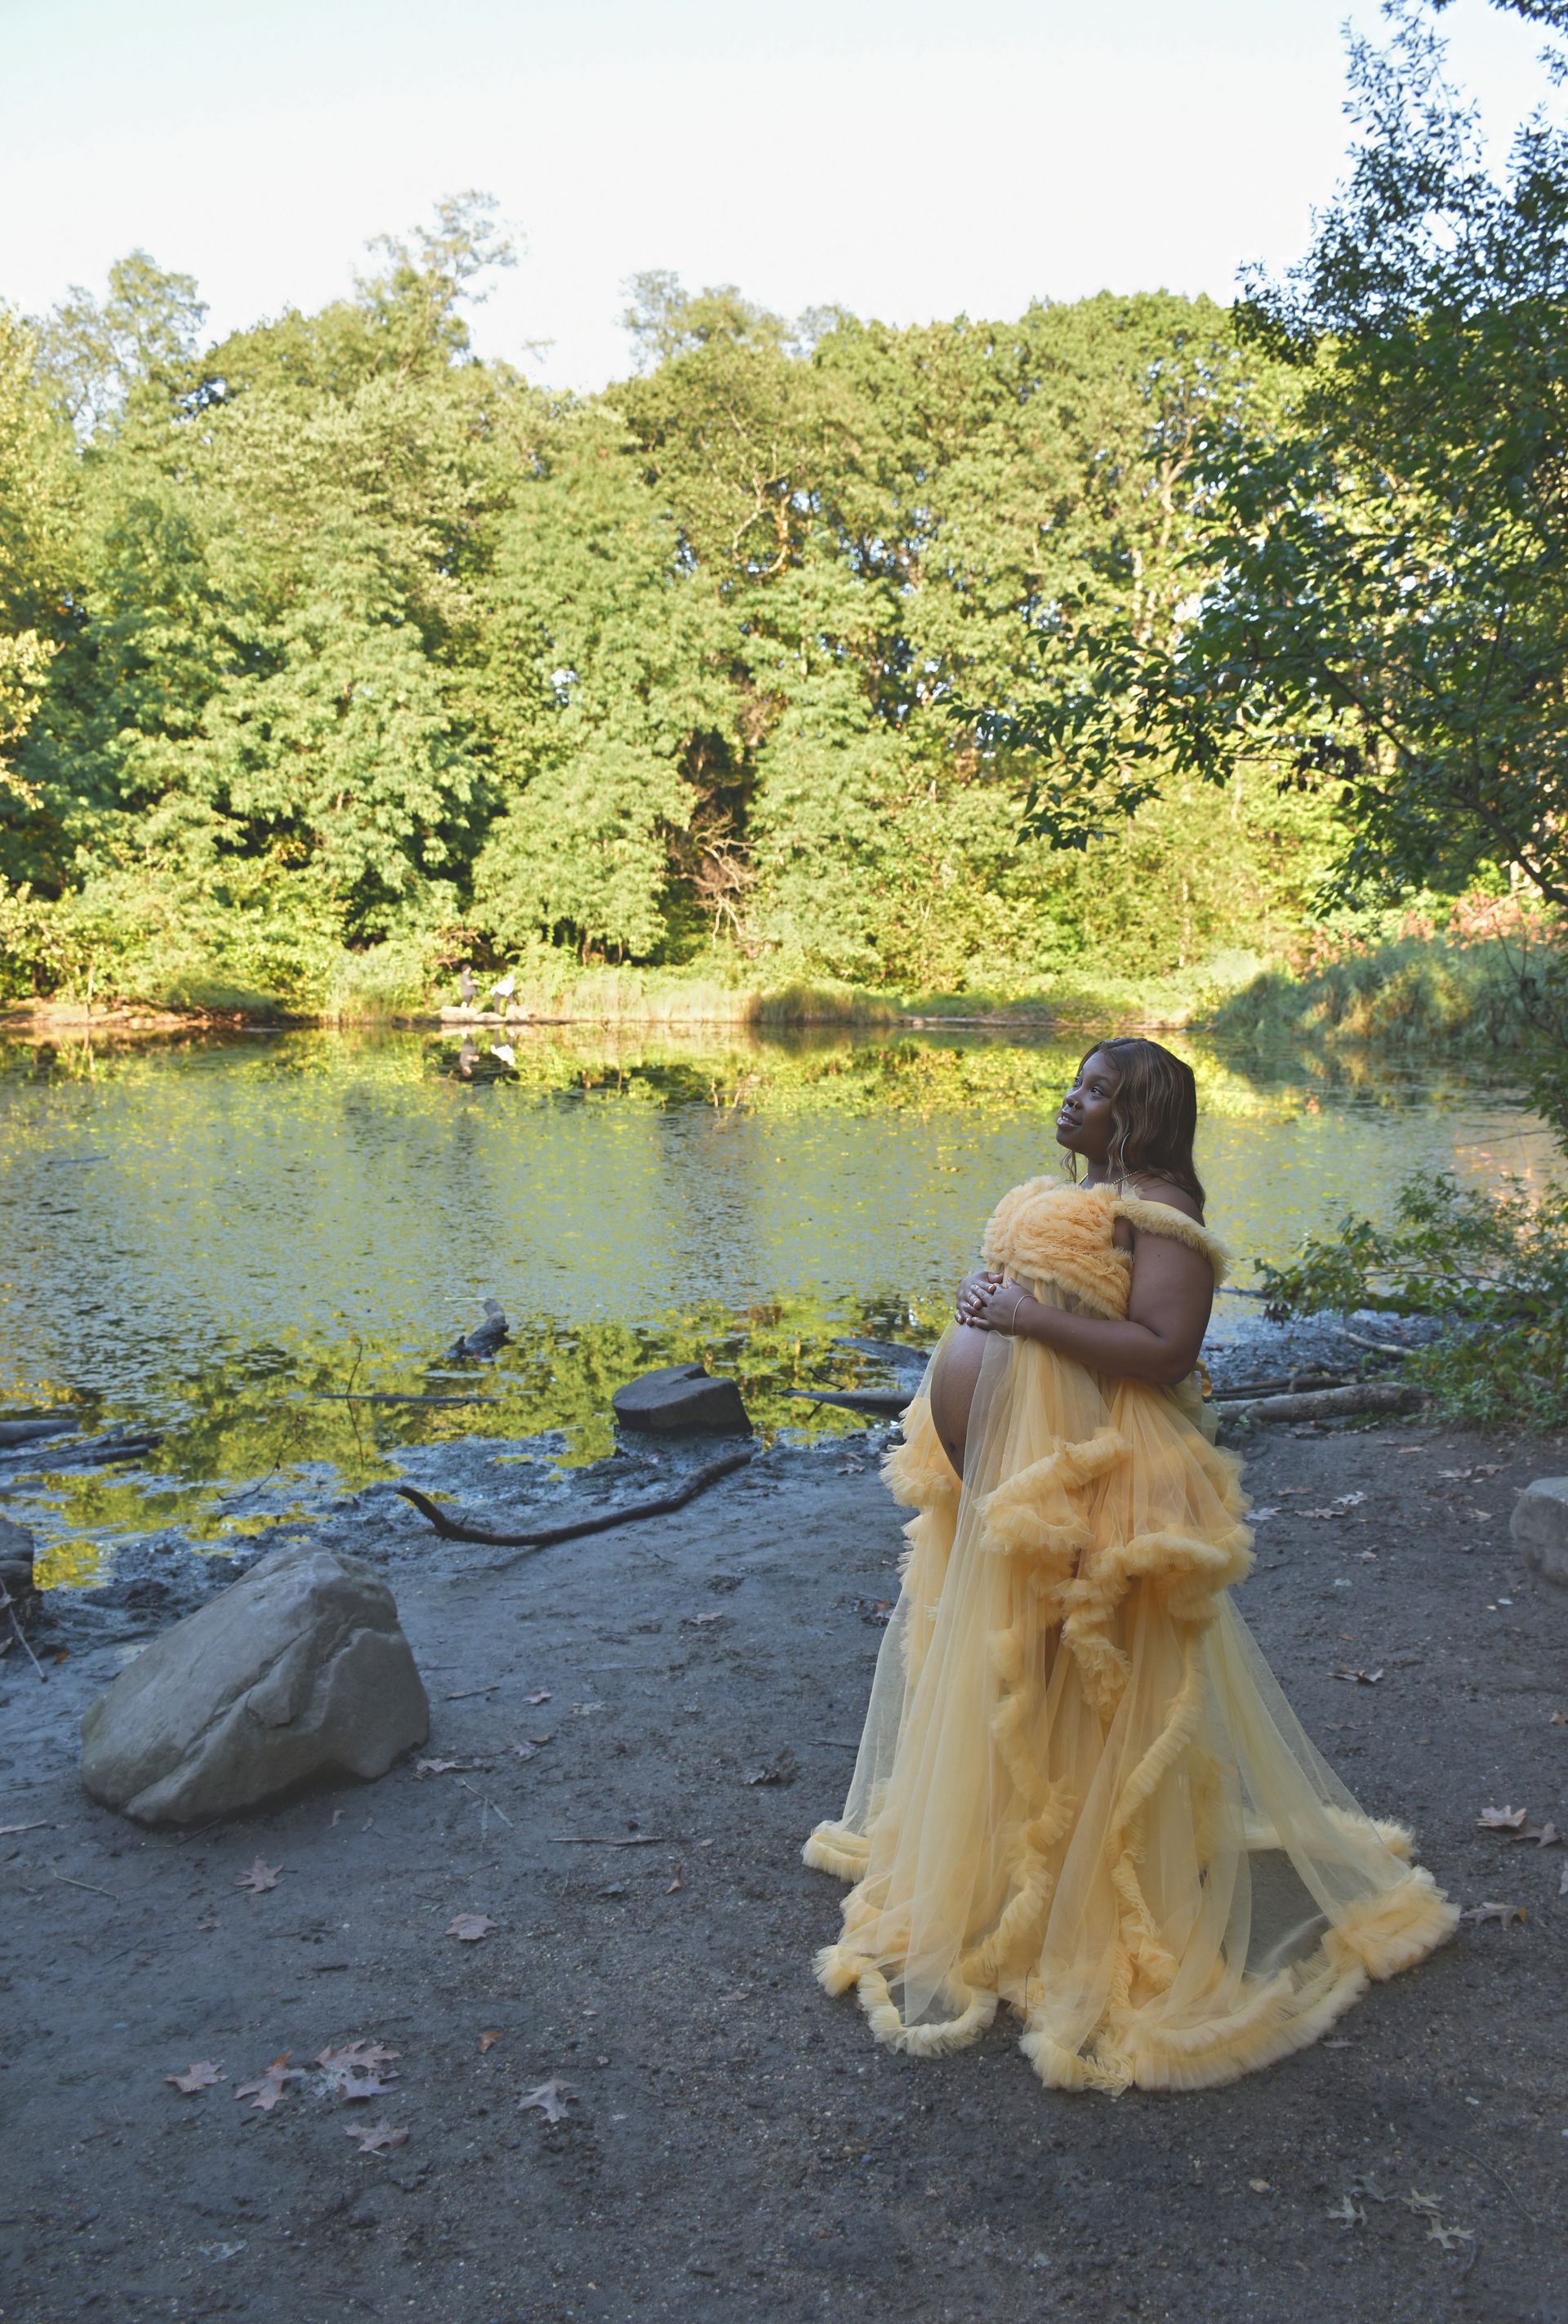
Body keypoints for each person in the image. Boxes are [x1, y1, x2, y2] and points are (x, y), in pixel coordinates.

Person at [804, 1036, 1456, 2093]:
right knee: (1020, 1667)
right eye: (1077, 1080)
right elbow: (1058, 1301)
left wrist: (1016, 1316)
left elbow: (1161, 1350)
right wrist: (996, 1299)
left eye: (1098, 1089)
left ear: (1142, 1110)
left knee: (1076, 1667)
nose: (1074, 1097)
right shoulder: (1094, 1192)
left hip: (1091, 1468)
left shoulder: (1167, 1217)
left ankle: (1081, 1898)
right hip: (1007, 1475)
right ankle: (1017, 1872)